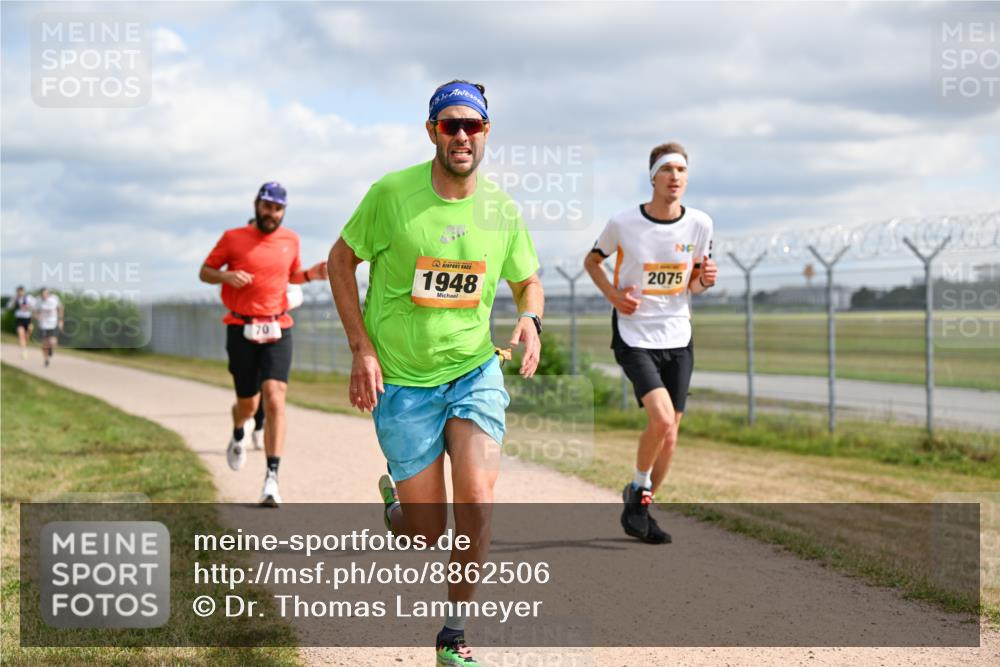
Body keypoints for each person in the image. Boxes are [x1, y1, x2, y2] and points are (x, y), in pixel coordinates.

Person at [327, 80, 543, 667]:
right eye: (451, 125)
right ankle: (395, 506)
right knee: (425, 529)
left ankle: (453, 633)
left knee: (478, 501)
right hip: (402, 381)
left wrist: (530, 319)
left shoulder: (501, 209)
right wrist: (361, 349)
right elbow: (340, 260)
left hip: (473, 371)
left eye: (473, 125)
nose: (462, 135)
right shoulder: (391, 194)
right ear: (432, 132)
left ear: (486, 131)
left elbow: (527, 279)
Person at [583, 142, 717, 544]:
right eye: (667, 170)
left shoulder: (700, 224)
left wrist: (704, 281)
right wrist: (613, 295)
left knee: (671, 435)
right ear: (653, 178)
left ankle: (640, 506)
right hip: (634, 333)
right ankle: (638, 486)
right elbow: (592, 260)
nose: (675, 177)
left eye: (682, 170)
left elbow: (694, 284)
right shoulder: (624, 223)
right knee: (661, 420)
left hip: (678, 334)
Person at [199, 182, 328, 507]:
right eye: (267, 206)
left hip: (277, 327)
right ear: (257, 205)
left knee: (275, 396)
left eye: (278, 209)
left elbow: (291, 275)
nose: (272, 213)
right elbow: (205, 272)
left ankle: (271, 479)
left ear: (284, 211)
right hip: (241, 327)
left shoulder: (290, 240)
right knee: (248, 404)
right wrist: (226, 276)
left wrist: (311, 274)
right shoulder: (233, 238)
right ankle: (239, 429)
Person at [33, 287, 63, 367]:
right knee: (44, 343)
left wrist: (60, 320)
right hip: (43, 325)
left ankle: (51, 349)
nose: (44, 296)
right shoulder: (38, 301)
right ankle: (46, 360)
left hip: (53, 323)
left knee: (53, 342)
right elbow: (34, 312)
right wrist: (37, 317)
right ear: (40, 295)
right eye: (43, 294)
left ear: (48, 294)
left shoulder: (54, 299)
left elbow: (60, 308)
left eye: (46, 294)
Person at [7, 286, 35, 360]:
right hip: (19, 319)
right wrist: (14, 302)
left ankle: (25, 345)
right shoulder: (15, 298)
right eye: (19, 291)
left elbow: (35, 306)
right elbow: (9, 307)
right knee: (21, 334)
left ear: (24, 291)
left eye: (22, 291)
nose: (20, 293)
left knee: (27, 335)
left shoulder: (29, 298)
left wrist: (28, 307)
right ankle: (24, 351)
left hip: (28, 319)